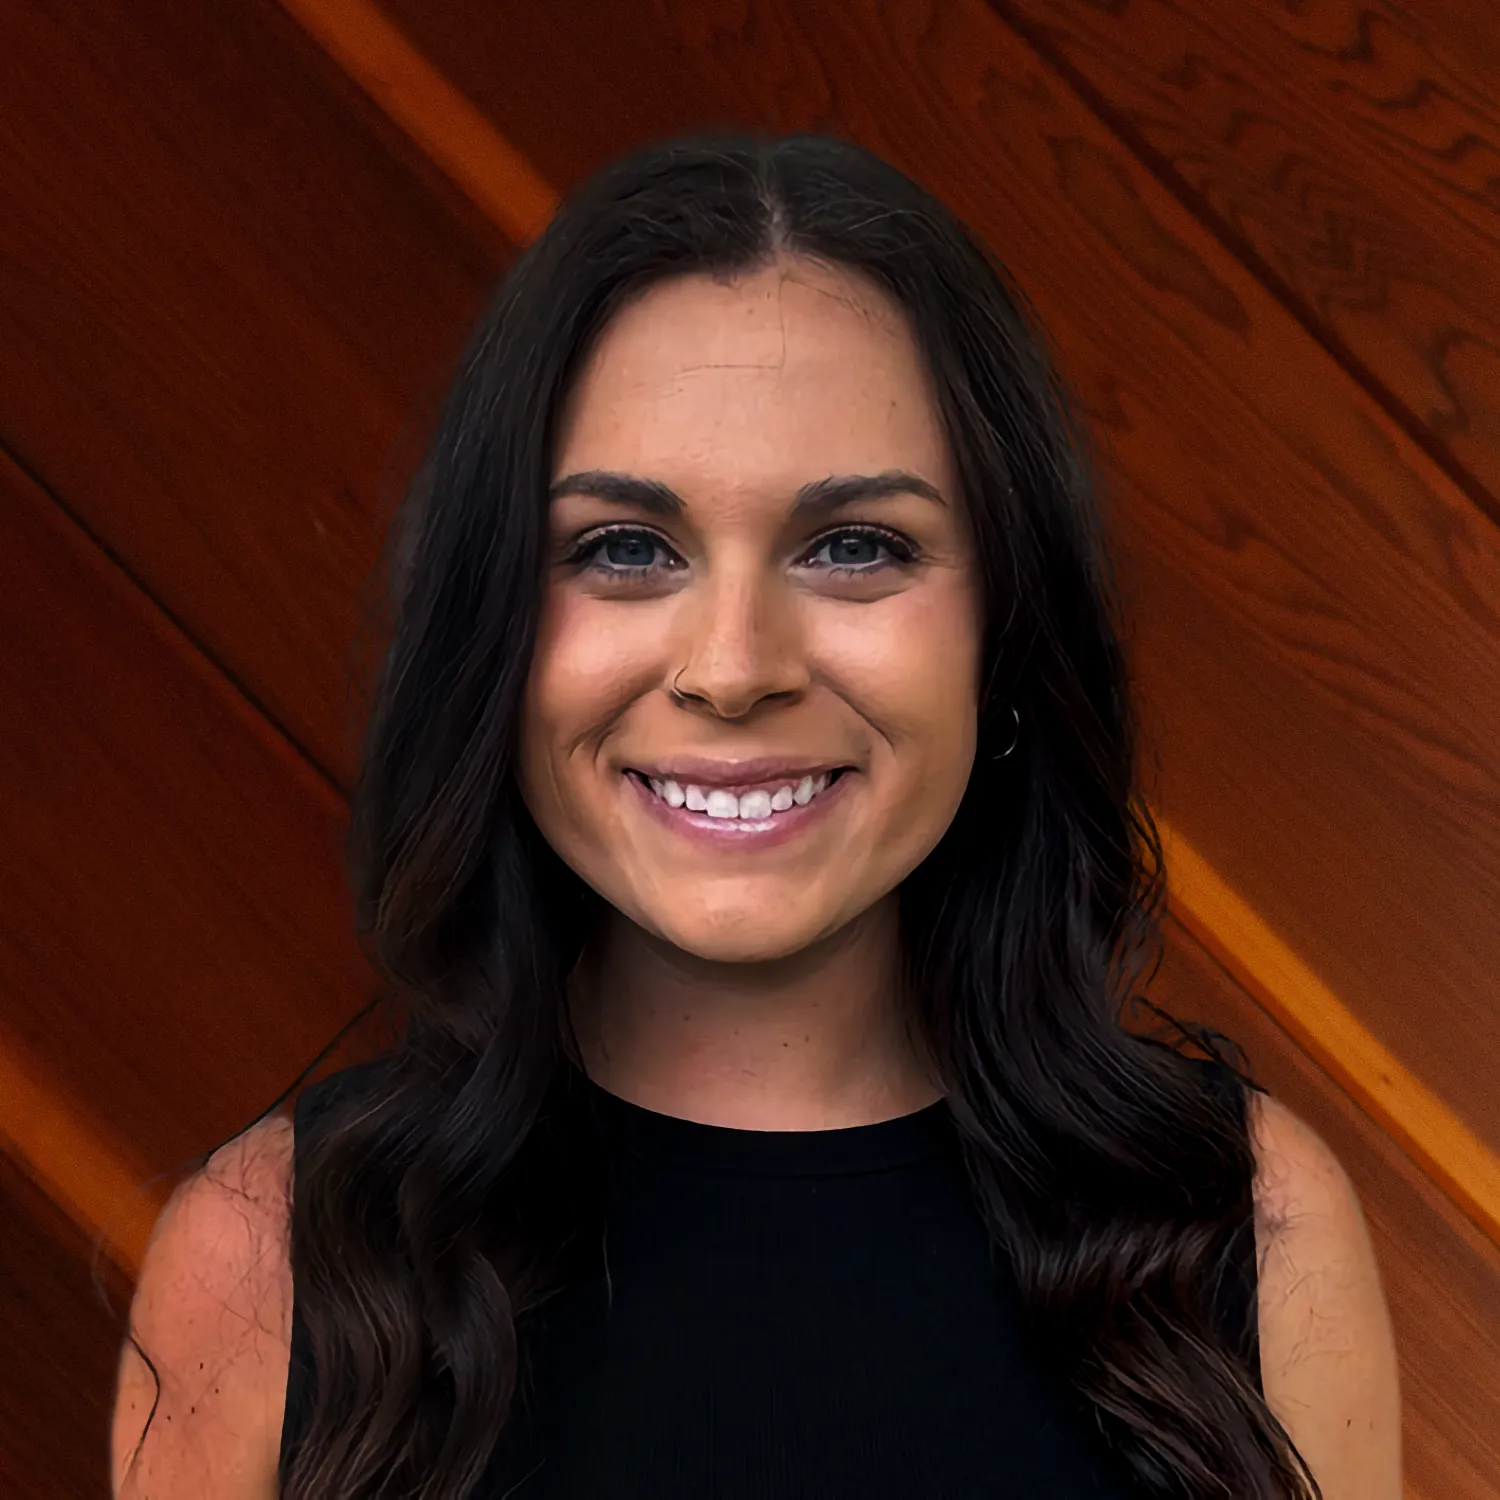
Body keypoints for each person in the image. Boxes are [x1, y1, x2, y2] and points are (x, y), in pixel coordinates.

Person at [110, 132, 1401, 1499]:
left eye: (855, 546)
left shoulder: (1248, 1232)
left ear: (1007, 628)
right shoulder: (268, 1264)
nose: (733, 668)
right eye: (624, 547)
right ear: (491, 627)